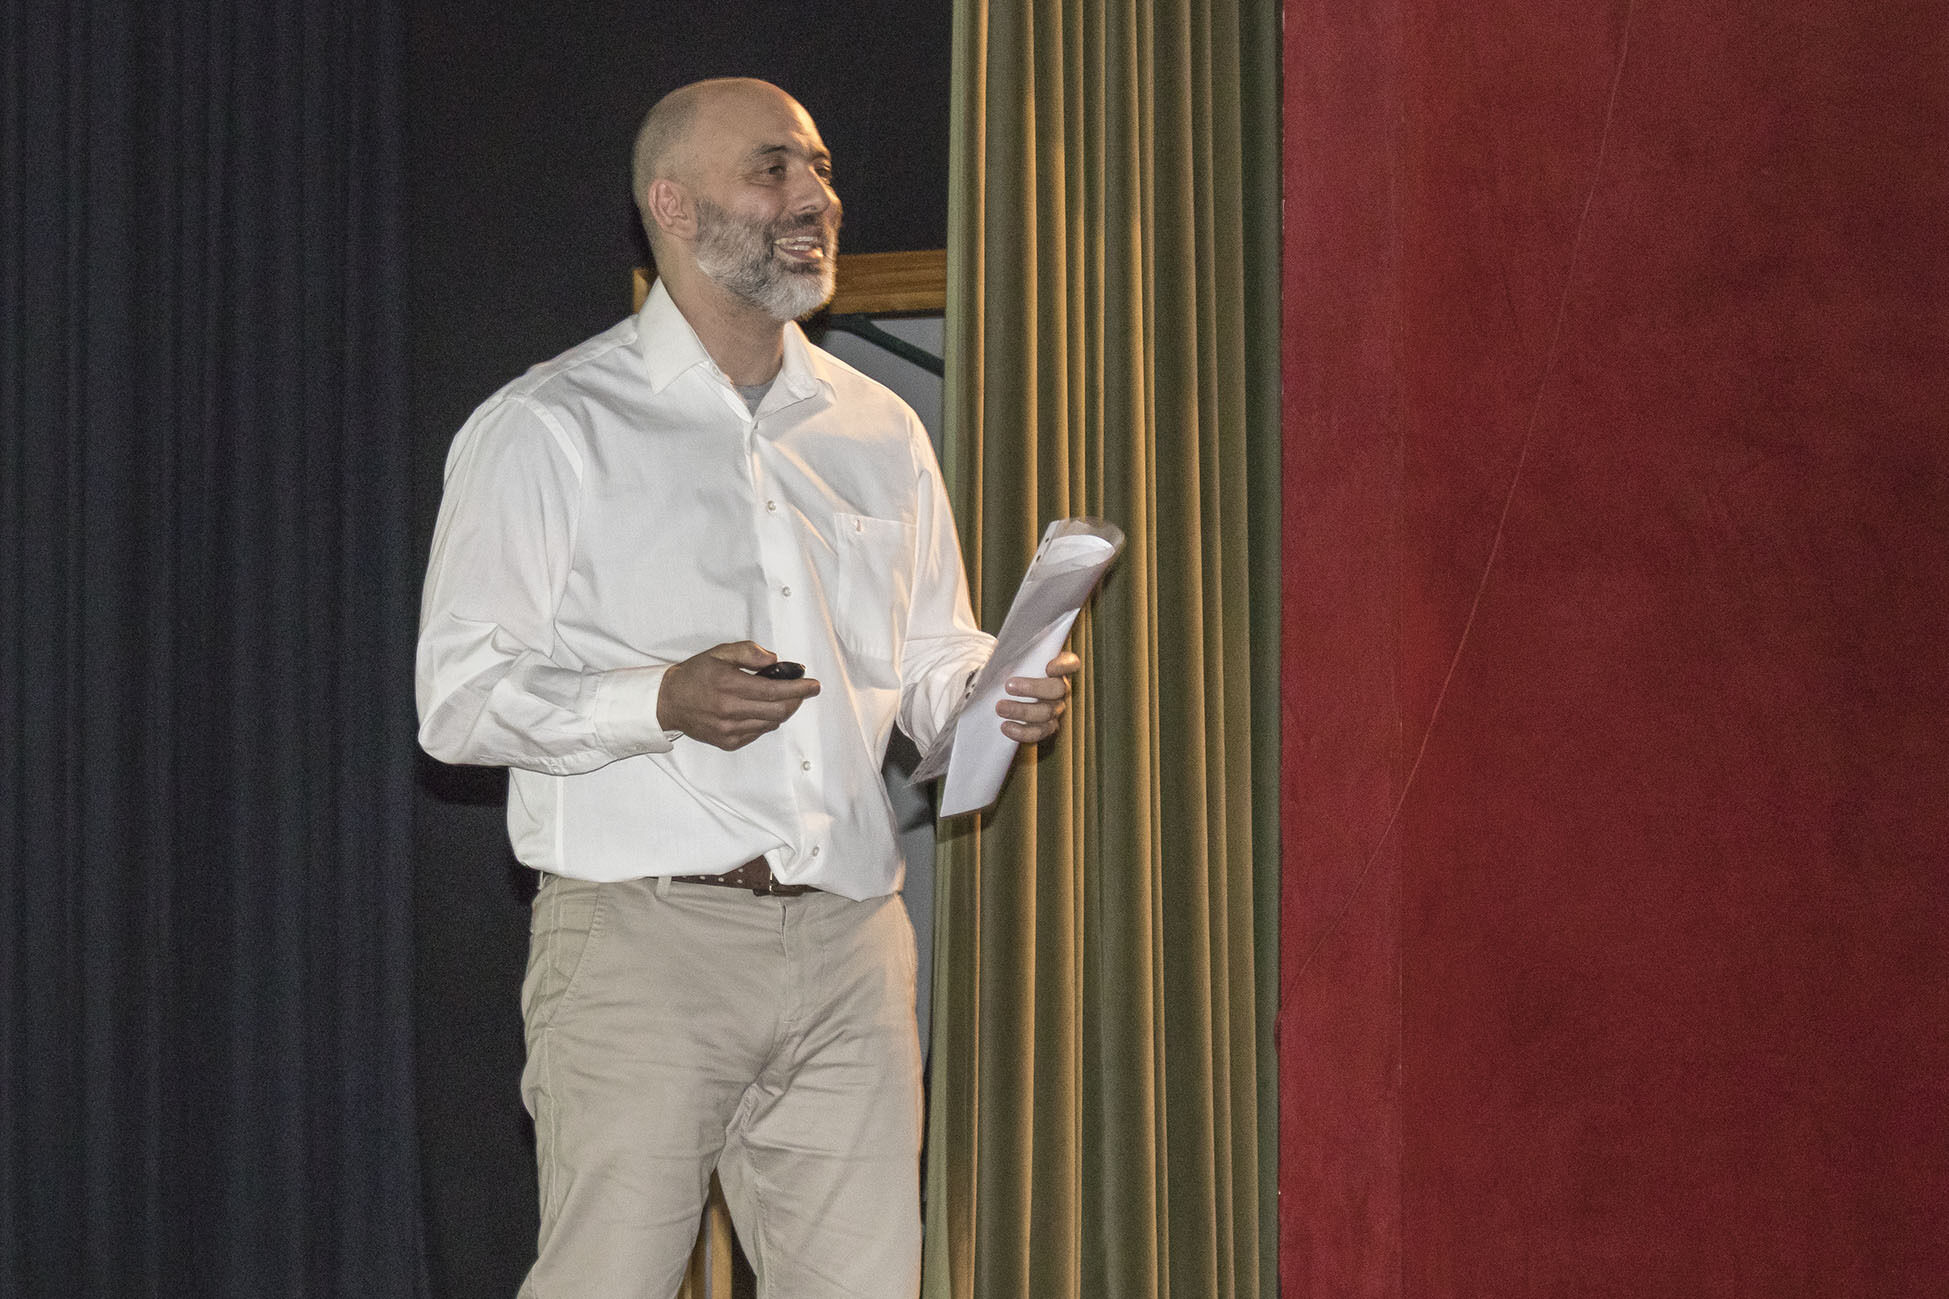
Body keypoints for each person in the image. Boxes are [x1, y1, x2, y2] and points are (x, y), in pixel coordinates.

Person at [415, 77, 1078, 1299]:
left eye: (818, 169)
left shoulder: (877, 428)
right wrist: (656, 700)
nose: (814, 196)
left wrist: (990, 693)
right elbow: (456, 701)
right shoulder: (551, 425)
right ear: (671, 205)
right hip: (640, 939)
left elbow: (925, 657)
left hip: (850, 940)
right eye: (773, 168)